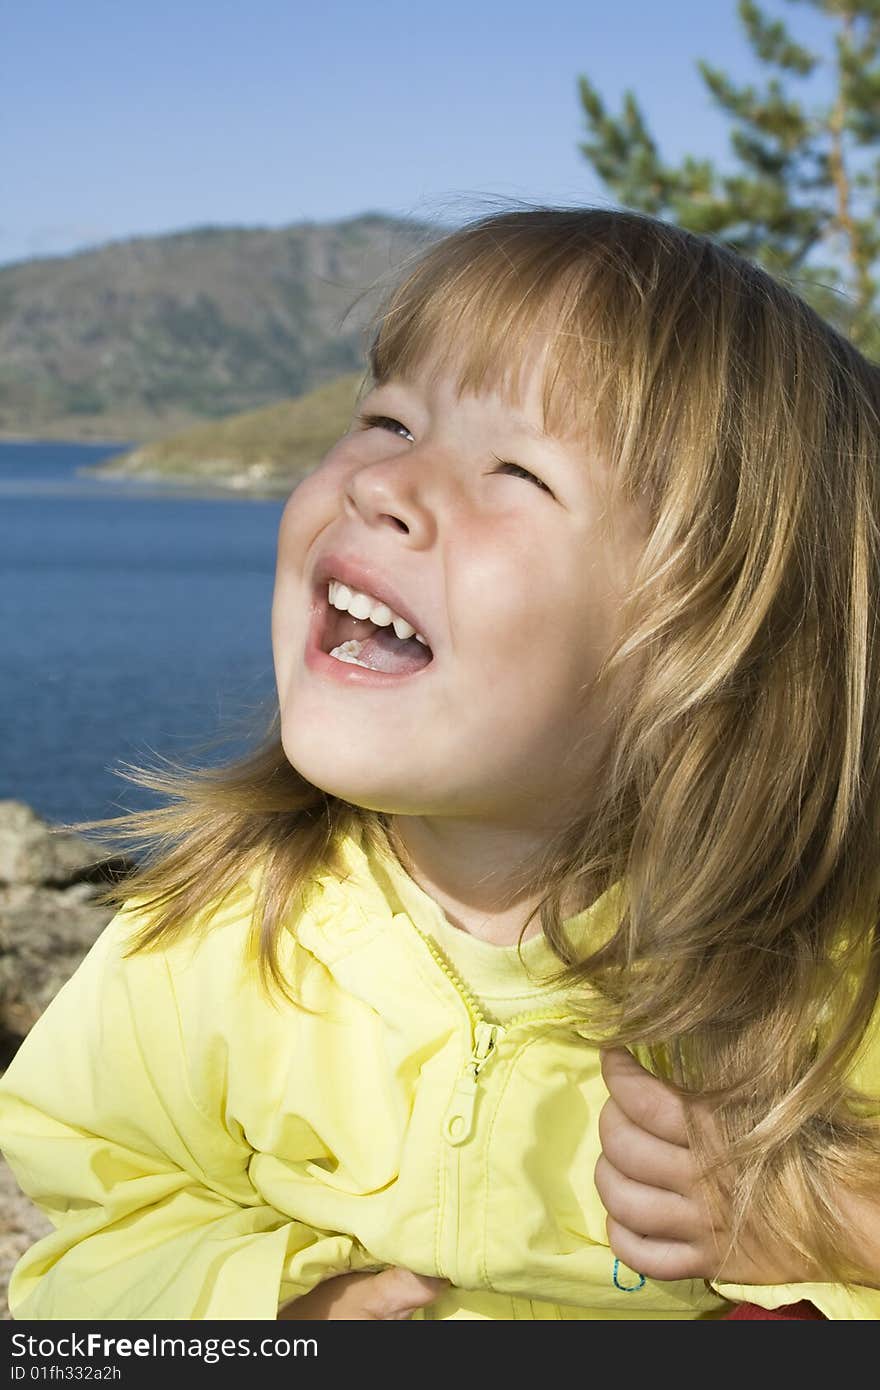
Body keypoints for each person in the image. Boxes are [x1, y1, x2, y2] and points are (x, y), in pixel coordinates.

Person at [0, 206, 878, 1322]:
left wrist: (822, 1214)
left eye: (516, 469)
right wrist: (276, 1312)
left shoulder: (819, 970)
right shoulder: (212, 938)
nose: (381, 485)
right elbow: (94, 1225)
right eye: (388, 420)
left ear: (713, 659)